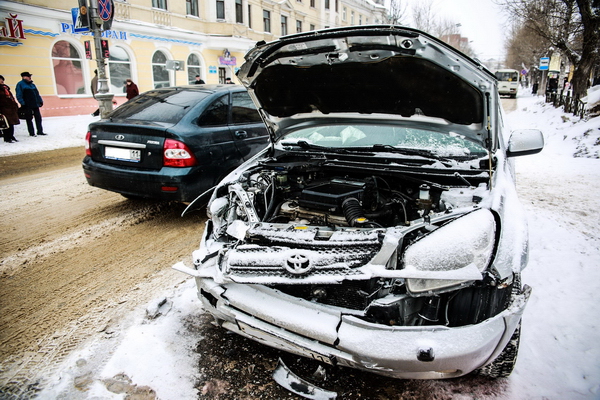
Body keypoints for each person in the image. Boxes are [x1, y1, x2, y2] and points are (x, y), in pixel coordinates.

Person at [16, 71, 46, 136]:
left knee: (38, 118)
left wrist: (40, 101)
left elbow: (37, 94)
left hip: (35, 104)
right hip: (27, 105)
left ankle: (40, 131)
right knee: (29, 119)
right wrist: (23, 103)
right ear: (24, 77)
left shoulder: (32, 84)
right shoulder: (20, 84)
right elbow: (19, 95)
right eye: (28, 76)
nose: (30, 77)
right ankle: (31, 133)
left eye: (30, 76)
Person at [0, 75, 20, 143]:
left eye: (2, 79)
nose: (2, 81)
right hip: (3, 108)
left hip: (11, 108)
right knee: (6, 123)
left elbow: (11, 97)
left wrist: (15, 104)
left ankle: (11, 136)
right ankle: (7, 137)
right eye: (0, 79)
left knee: (12, 123)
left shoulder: (6, 88)